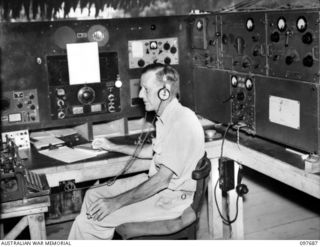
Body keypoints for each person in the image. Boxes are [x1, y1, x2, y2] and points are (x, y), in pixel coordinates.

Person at [68, 63, 205, 240]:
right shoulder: (169, 116)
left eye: (146, 89)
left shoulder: (181, 123)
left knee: (89, 221)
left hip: (171, 199)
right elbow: (152, 151)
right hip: (162, 188)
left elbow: (162, 181)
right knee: (93, 194)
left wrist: (115, 203)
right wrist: (112, 146)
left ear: (165, 91)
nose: (140, 95)